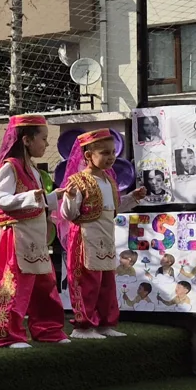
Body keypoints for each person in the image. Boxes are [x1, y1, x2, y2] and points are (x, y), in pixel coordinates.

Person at [0, 114, 67, 348]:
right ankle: (8, 334)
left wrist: (54, 197)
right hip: (14, 237)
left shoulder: (32, 169)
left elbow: (36, 201)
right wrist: (32, 196)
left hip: (34, 237)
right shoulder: (10, 167)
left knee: (45, 284)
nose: (47, 144)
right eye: (43, 138)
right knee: (12, 287)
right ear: (27, 140)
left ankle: (48, 329)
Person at [58, 129, 143, 340]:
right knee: (87, 282)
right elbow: (68, 214)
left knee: (107, 283)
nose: (111, 157)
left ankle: (106, 323)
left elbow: (112, 209)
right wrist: (68, 198)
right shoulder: (78, 181)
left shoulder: (109, 181)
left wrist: (133, 197)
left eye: (113, 152)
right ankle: (83, 326)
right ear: (88, 156)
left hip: (106, 237)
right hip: (85, 237)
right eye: (105, 153)